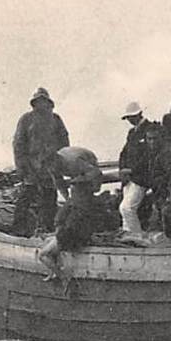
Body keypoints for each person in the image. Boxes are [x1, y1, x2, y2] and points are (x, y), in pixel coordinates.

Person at [37, 146, 102, 282]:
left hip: (88, 161)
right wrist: (69, 201)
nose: (50, 169)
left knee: (79, 209)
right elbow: (59, 184)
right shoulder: (52, 166)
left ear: (56, 159)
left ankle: (60, 274)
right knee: (61, 216)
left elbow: (96, 173)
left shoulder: (74, 161)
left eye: (51, 165)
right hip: (77, 189)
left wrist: (93, 188)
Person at [12, 87, 70, 235]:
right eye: (38, 101)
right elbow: (18, 144)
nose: (41, 104)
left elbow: (64, 143)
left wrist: (60, 165)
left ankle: (46, 229)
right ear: (34, 103)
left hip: (50, 167)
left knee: (50, 199)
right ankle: (18, 230)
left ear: (49, 103)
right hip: (31, 166)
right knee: (25, 198)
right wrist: (22, 167)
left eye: (44, 101)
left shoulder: (56, 119)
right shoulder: (26, 119)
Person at [117, 101, 153, 233]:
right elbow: (124, 153)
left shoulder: (150, 130)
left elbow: (149, 156)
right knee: (125, 213)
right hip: (129, 178)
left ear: (139, 114)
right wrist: (123, 170)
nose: (130, 120)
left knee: (127, 208)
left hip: (142, 177)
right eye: (128, 118)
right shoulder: (132, 133)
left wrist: (132, 170)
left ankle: (138, 237)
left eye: (131, 117)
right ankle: (129, 236)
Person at [145, 122, 171, 218]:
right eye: (149, 139)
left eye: (155, 138)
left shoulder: (168, 153)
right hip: (159, 192)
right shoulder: (153, 152)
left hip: (167, 194)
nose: (152, 142)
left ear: (161, 138)